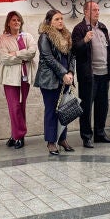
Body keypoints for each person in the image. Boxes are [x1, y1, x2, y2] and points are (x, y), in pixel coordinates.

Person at [72, 1, 110, 148]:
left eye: (98, 9)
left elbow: (108, 49)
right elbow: (74, 50)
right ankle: (86, 136)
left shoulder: (103, 27)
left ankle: (100, 133)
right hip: (89, 75)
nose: (97, 12)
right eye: (94, 10)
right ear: (85, 12)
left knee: (102, 105)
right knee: (86, 107)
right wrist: (85, 40)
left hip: (104, 72)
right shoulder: (79, 28)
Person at [34, 9, 76, 155]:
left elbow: (72, 56)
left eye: (61, 19)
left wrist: (70, 72)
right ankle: (51, 142)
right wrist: (63, 73)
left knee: (64, 109)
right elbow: (48, 58)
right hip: (50, 79)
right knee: (51, 110)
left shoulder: (67, 36)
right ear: (49, 21)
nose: (60, 22)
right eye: (57, 19)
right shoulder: (45, 37)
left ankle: (62, 138)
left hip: (65, 79)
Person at [0, 11, 37, 150]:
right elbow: (4, 58)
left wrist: (16, 53)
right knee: (13, 106)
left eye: (18, 20)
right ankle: (19, 135)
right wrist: (22, 56)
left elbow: (32, 52)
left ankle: (16, 135)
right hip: (10, 78)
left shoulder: (27, 36)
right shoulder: (3, 38)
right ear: (8, 22)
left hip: (25, 76)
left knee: (21, 106)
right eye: (13, 20)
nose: (16, 22)